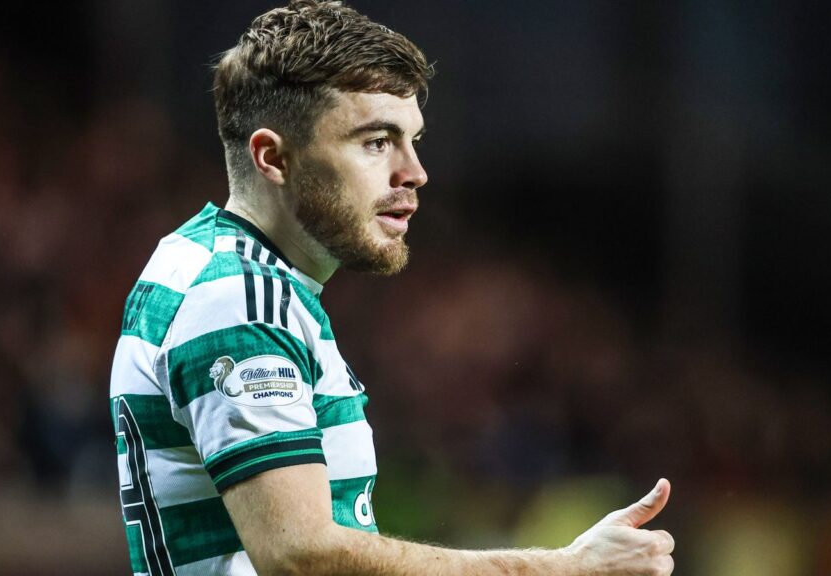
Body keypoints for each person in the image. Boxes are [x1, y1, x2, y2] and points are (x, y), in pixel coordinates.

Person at [109, 1, 675, 574]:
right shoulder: (239, 297)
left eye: (412, 139)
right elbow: (298, 555)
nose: (414, 172)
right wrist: (565, 568)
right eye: (377, 141)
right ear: (273, 157)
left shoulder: (209, 263)